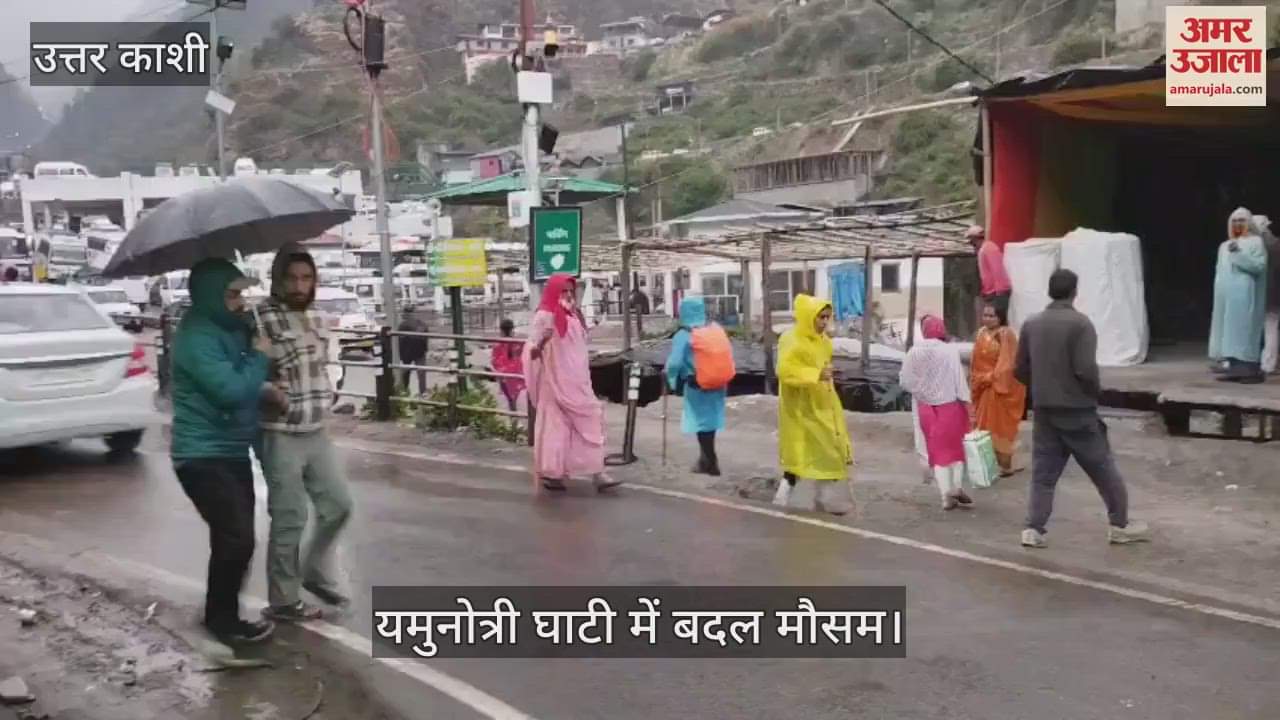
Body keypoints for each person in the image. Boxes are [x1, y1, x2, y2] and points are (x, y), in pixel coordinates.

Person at [170, 258, 275, 645]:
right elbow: (230, 391)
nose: (240, 301)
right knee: (237, 538)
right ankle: (222, 620)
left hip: (231, 450)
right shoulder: (195, 337)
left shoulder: (233, 327)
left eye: (241, 294)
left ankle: (222, 614)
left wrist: (254, 344)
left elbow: (248, 379)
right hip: (200, 454)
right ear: (210, 296)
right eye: (232, 295)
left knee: (232, 537)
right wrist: (259, 356)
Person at [1015, 269, 1149, 548]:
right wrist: (1093, 394)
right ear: (1074, 292)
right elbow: (1086, 370)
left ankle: (1033, 529)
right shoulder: (1081, 325)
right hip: (1077, 411)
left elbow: (1019, 369)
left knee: (1043, 475)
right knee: (1103, 470)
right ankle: (1120, 525)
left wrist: (1041, 388)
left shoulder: (1031, 324)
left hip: (1044, 411)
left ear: (1050, 290)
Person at [257, 244, 354, 622]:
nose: (300, 286)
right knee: (289, 516)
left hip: (316, 429)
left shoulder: (315, 317)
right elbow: (246, 370)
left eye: (307, 278)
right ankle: (283, 601)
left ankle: (312, 569)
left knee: (339, 505)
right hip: (279, 431)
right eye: (292, 278)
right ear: (278, 280)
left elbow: (323, 365)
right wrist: (267, 388)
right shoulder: (260, 319)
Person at [523, 273, 620, 493]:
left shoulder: (575, 315)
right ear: (553, 292)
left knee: (591, 421)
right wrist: (542, 342)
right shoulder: (544, 316)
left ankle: (598, 472)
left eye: (570, 290)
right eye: (563, 290)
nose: (568, 295)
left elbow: (579, 348)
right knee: (556, 429)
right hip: (554, 384)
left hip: (578, 381)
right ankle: (553, 473)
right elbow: (531, 352)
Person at [771, 295, 855, 515]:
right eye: (821, 317)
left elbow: (824, 369)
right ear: (809, 316)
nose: (825, 322)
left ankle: (822, 499)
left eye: (827, 317)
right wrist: (814, 374)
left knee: (831, 448)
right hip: (799, 407)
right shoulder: (791, 339)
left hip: (822, 402)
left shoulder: (824, 341)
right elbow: (784, 370)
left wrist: (826, 378)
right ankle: (781, 498)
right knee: (798, 454)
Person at [900, 315, 974, 510]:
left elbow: (905, 381)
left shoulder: (914, 351)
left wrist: (921, 392)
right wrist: (967, 403)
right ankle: (956, 487)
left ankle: (945, 496)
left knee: (937, 452)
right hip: (950, 407)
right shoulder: (949, 350)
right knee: (955, 450)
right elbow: (959, 380)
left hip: (925, 409)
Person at [665, 296, 727, 476]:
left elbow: (674, 363)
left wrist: (671, 380)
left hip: (697, 384)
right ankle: (706, 459)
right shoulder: (714, 329)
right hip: (718, 383)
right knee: (710, 422)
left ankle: (709, 461)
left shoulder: (683, 335)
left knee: (701, 423)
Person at [1209, 207, 1268, 383]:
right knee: (1228, 332)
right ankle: (1233, 369)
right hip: (1226, 296)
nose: (1238, 224)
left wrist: (1238, 253)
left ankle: (1249, 370)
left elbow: (1258, 266)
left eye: (1241, 220)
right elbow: (1220, 272)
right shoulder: (1224, 246)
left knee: (1244, 331)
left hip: (1245, 295)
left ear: (1249, 222)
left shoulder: (1256, 242)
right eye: (1234, 221)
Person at [971, 300, 1027, 476]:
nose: (987, 319)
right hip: (982, 387)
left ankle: (1005, 465)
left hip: (999, 388)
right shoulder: (981, 333)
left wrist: (991, 377)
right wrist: (979, 379)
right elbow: (974, 362)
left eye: (991, 316)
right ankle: (987, 463)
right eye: (985, 315)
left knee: (999, 428)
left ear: (1000, 317)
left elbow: (1008, 363)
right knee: (983, 427)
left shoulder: (1006, 334)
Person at [969, 225, 1012, 322]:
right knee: (991, 321)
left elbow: (997, 269)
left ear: (974, 238)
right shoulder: (984, 249)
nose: (971, 243)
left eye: (971, 240)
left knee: (997, 321)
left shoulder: (989, 248)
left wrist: (999, 291)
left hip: (998, 293)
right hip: (993, 292)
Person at [1256, 215, 1280, 375]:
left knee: (1269, 328)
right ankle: (1268, 363)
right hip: (1273, 293)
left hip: (1268, 293)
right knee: (1271, 328)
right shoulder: (1276, 244)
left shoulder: (1261, 245)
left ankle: (1267, 363)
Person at [491, 318, 526, 412]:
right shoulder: (518, 343)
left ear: (501, 330)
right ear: (512, 329)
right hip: (516, 373)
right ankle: (513, 411)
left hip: (504, 375)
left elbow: (494, 361)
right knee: (514, 396)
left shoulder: (497, 344)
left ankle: (513, 412)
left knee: (510, 398)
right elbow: (523, 356)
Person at [397, 310, 429, 395]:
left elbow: (400, 342)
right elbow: (425, 336)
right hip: (419, 351)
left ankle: (404, 390)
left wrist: (401, 355)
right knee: (421, 373)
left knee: (406, 372)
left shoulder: (402, 325)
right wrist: (425, 348)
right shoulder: (421, 324)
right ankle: (423, 392)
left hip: (408, 352)